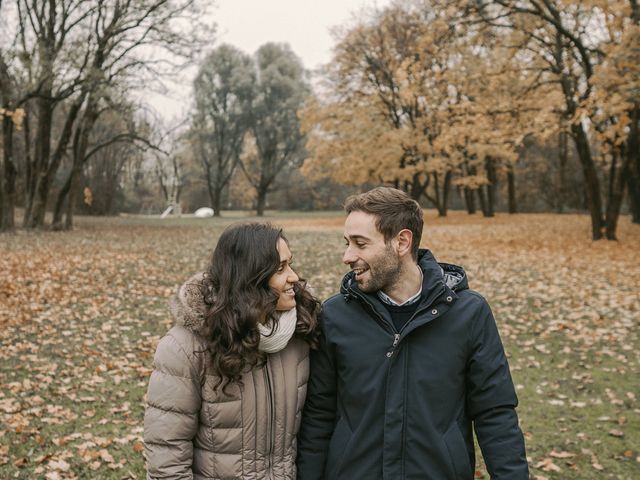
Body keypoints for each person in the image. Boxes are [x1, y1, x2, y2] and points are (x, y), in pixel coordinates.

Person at [296, 187, 528, 480]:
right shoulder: (335, 316)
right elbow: (318, 418)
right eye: (347, 243)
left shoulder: (469, 314)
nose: (347, 256)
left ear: (402, 242)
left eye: (360, 243)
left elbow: (495, 414)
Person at [144, 223, 320, 479]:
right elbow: (167, 454)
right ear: (250, 278)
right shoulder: (186, 347)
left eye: (290, 264)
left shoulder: (300, 335)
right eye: (280, 268)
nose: (293, 276)